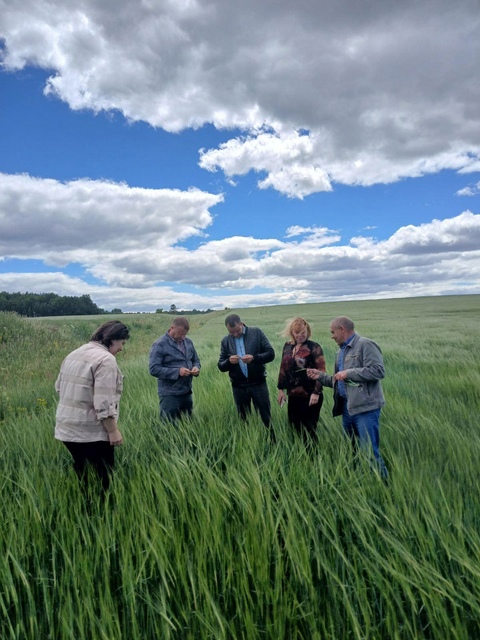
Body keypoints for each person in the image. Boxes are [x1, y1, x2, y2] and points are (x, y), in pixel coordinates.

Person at [307, 316, 388, 479]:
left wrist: (349, 372)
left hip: (366, 409)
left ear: (342, 329)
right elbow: (338, 380)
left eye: (332, 332)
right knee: (352, 450)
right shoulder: (340, 352)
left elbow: (379, 371)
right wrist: (320, 377)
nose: (332, 336)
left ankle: (384, 486)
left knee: (370, 451)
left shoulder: (365, 344)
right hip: (347, 409)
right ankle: (360, 479)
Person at [55, 320, 130, 492]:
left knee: (84, 474)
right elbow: (103, 402)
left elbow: (59, 388)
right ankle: (102, 514)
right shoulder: (106, 360)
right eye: (122, 343)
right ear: (113, 339)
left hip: (67, 429)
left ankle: (84, 510)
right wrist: (112, 431)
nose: (121, 349)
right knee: (104, 480)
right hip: (91, 432)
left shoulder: (74, 354)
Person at [218, 314, 275, 437]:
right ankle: (248, 442)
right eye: (231, 332)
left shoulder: (256, 333)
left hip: (258, 384)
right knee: (243, 418)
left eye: (237, 331)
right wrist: (229, 362)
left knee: (265, 417)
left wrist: (254, 358)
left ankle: (272, 442)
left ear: (242, 324)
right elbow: (221, 366)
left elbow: (271, 354)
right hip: (238, 387)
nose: (235, 334)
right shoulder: (226, 340)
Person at [277, 317, 326, 445]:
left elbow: (321, 372)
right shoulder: (287, 346)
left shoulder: (314, 347)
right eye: (297, 333)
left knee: (309, 430)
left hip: (310, 395)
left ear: (307, 331)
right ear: (292, 332)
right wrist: (280, 390)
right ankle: (299, 456)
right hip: (293, 394)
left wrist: (316, 392)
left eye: (303, 332)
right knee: (295, 427)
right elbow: (283, 368)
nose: (300, 336)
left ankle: (313, 459)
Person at [149, 316, 201, 422]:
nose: (182, 337)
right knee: (168, 426)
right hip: (170, 394)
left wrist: (196, 367)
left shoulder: (188, 342)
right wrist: (177, 372)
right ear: (172, 328)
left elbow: (196, 359)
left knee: (187, 422)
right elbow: (153, 369)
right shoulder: (159, 344)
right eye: (180, 334)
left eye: (185, 334)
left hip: (187, 391)